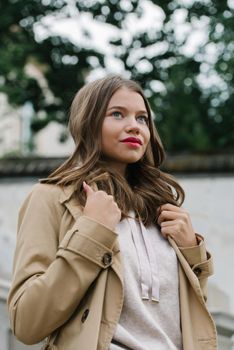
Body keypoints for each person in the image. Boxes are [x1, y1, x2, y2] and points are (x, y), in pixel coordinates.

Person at [8, 75, 217, 350]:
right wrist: (92, 231)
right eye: (117, 114)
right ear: (88, 122)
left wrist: (192, 254)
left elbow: (184, 318)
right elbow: (26, 321)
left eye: (142, 118)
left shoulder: (162, 211)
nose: (134, 126)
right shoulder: (52, 199)